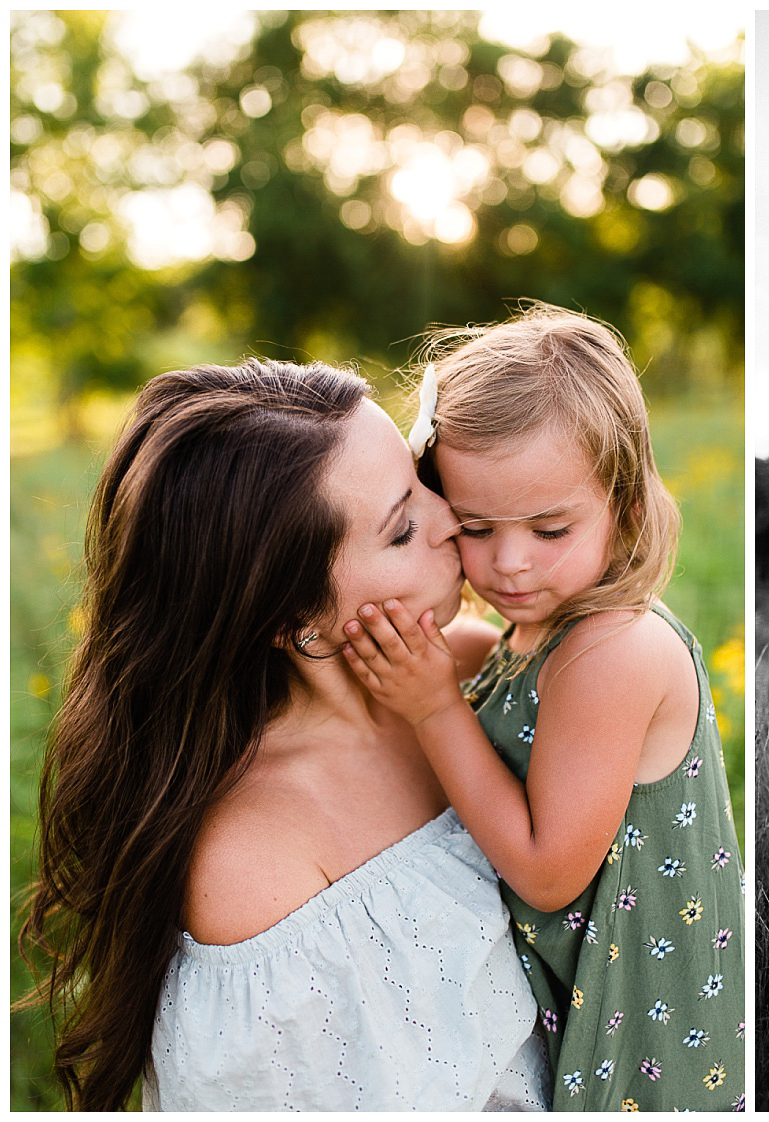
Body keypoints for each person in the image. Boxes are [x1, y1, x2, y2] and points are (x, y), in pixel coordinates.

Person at [19, 361, 548, 1111]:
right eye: (401, 530)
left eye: (420, 481)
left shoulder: (465, 669)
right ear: (292, 619)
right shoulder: (253, 864)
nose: (450, 520)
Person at [341, 305, 746, 1112]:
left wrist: (433, 710)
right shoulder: (537, 629)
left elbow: (549, 871)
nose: (511, 563)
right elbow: (488, 668)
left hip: (650, 1040)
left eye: (551, 528)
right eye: (477, 527)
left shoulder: (610, 652)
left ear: (625, 509)